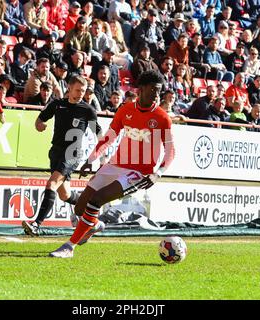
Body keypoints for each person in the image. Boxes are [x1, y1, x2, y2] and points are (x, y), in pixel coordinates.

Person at [48, 70, 175, 258]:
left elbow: (171, 151)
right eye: (153, 90)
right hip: (115, 165)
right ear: (141, 89)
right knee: (80, 207)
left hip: (139, 173)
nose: (157, 95)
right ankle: (94, 224)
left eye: (159, 91)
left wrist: (159, 173)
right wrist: (91, 159)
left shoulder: (162, 118)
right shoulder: (125, 109)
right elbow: (109, 137)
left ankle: (69, 247)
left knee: (97, 200)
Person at [22, 75, 99, 236]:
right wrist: (40, 125)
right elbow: (39, 120)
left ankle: (37, 224)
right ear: (69, 88)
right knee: (65, 195)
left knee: (51, 184)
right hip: (56, 151)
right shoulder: (57, 105)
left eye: (83, 91)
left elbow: (98, 132)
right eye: (77, 90)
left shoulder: (87, 110)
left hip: (72, 153)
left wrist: (96, 155)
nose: (80, 94)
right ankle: (91, 205)